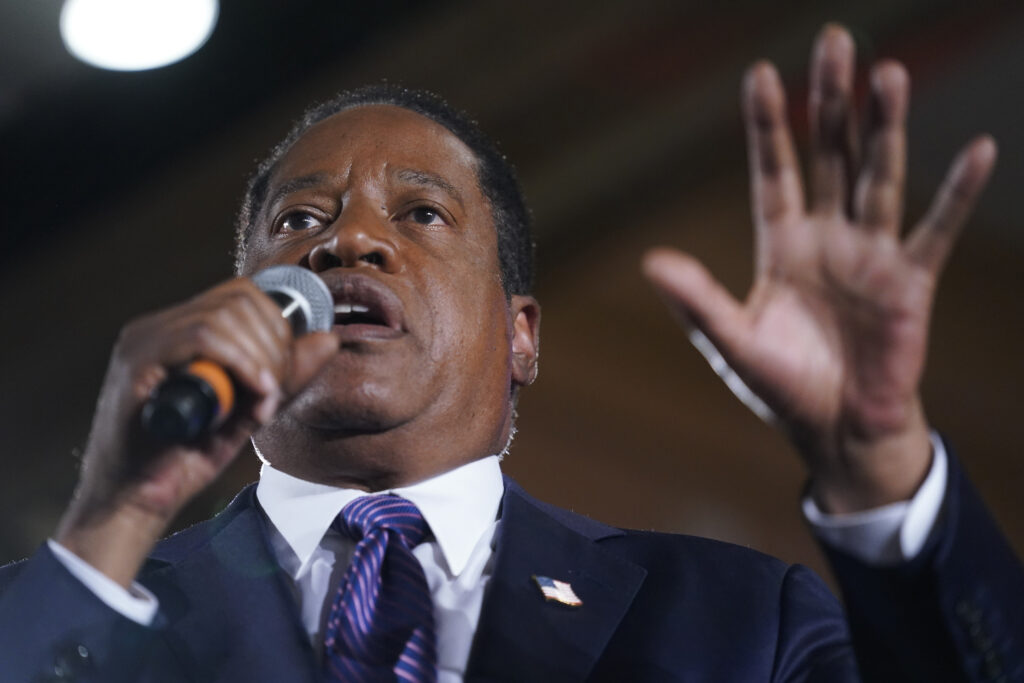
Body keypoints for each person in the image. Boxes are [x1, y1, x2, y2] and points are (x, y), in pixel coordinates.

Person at [0, 24, 1021, 682]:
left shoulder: (736, 624)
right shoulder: (93, 607)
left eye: (421, 212)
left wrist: (877, 460)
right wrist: (115, 514)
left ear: (520, 332)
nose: (347, 240)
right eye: (301, 218)